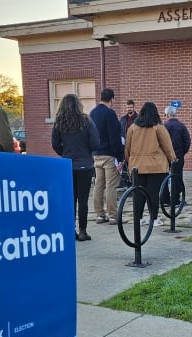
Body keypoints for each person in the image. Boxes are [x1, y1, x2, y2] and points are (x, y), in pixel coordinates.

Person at [51, 94, 100, 242]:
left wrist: (64, 153)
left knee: (69, 199)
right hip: (85, 165)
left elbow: (55, 144)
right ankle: (83, 230)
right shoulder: (87, 121)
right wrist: (87, 152)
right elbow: (96, 143)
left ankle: (70, 230)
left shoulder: (59, 122)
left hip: (67, 165)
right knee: (83, 200)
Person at [125, 102, 177, 226]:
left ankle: (138, 218)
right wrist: (173, 158)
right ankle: (154, 219)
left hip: (137, 166)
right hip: (156, 166)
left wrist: (129, 162)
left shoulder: (132, 127)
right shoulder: (158, 127)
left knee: (138, 194)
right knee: (153, 194)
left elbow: (127, 147)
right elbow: (167, 146)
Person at [89, 88, 124, 225]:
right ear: (112, 99)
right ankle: (113, 215)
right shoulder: (110, 113)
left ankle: (99, 214)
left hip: (96, 154)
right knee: (111, 185)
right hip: (109, 154)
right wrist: (120, 157)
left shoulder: (92, 113)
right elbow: (114, 137)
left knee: (98, 184)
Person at [161, 105, 191, 207]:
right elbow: (187, 141)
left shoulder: (163, 126)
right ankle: (176, 200)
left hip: (164, 155)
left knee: (163, 176)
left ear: (166, 115)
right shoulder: (181, 126)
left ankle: (165, 199)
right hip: (178, 154)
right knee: (177, 176)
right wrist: (182, 152)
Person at [117, 100, 138, 189]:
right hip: (124, 143)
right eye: (128, 107)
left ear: (134, 107)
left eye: (130, 107)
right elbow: (120, 130)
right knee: (124, 161)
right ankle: (124, 181)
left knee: (132, 162)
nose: (129, 109)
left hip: (133, 144)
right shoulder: (123, 119)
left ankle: (132, 182)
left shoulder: (138, 119)